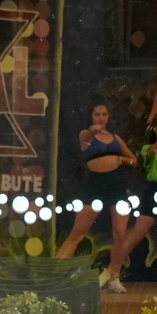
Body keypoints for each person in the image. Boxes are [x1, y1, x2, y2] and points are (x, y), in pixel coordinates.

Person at [103, 114, 157, 293]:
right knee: (136, 236)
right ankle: (113, 274)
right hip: (154, 191)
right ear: (156, 130)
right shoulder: (148, 148)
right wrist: (153, 152)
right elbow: (147, 160)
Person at [56, 104, 138, 268]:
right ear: (91, 116)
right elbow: (86, 136)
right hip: (95, 185)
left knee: (120, 234)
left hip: (117, 185)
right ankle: (55, 274)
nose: (101, 117)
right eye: (97, 114)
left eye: (104, 114)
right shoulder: (86, 135)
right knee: (77, 233)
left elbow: (134, 160)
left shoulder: (116, 138)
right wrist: (93, 130)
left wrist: (123, 160)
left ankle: (114, 276)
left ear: (108, 116)